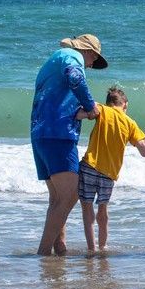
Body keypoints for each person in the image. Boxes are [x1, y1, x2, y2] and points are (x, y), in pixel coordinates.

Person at [31, 34, 107, 256]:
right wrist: (90, 106)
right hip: (58, 135)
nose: (91, 65)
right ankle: (43, 252)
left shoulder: (56, 58)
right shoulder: (72, 57)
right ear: (89, 52)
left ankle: (59, 248)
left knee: (57, 198)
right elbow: (75, 77)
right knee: (70, 194)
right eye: (93, 59)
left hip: (40, 133)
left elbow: (58, 98)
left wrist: (78, 112)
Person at [76, 86, 145, 253]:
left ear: (109, 103)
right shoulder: (130, 123)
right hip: (109, 173)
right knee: (103, 210)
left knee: (87, 207)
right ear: (125, 104)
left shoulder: (102, 109)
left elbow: (80, 112)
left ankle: (92, 248)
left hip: (89, 165)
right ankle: (103, 246)